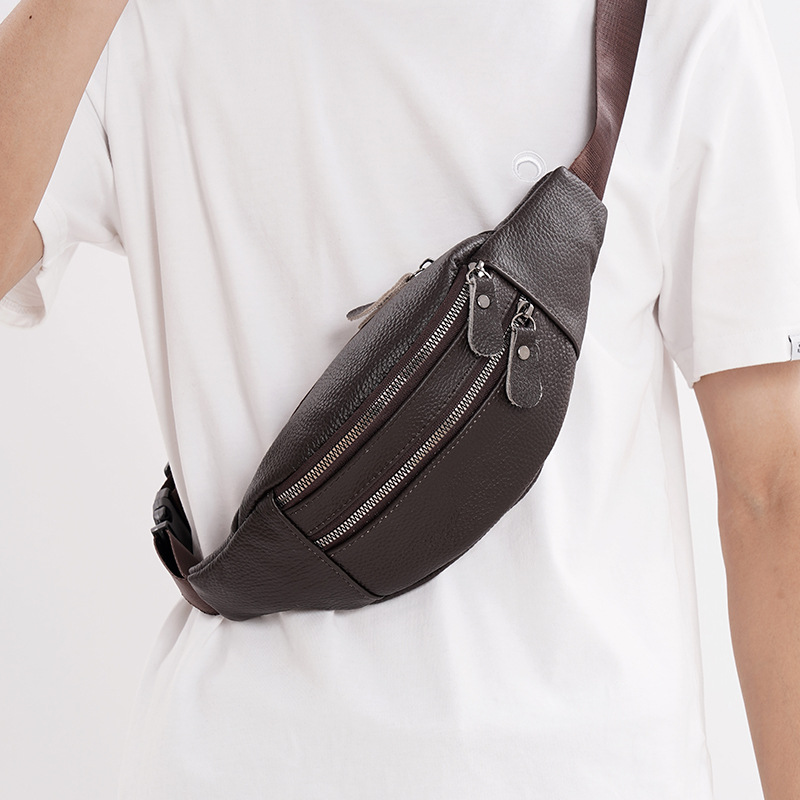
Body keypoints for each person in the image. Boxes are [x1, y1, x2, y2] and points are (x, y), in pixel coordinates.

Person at [1, 0, 799, 797]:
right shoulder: (145, 23)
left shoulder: (682, 22)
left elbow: (775, 491)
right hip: (244, 766)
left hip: (580, 768)